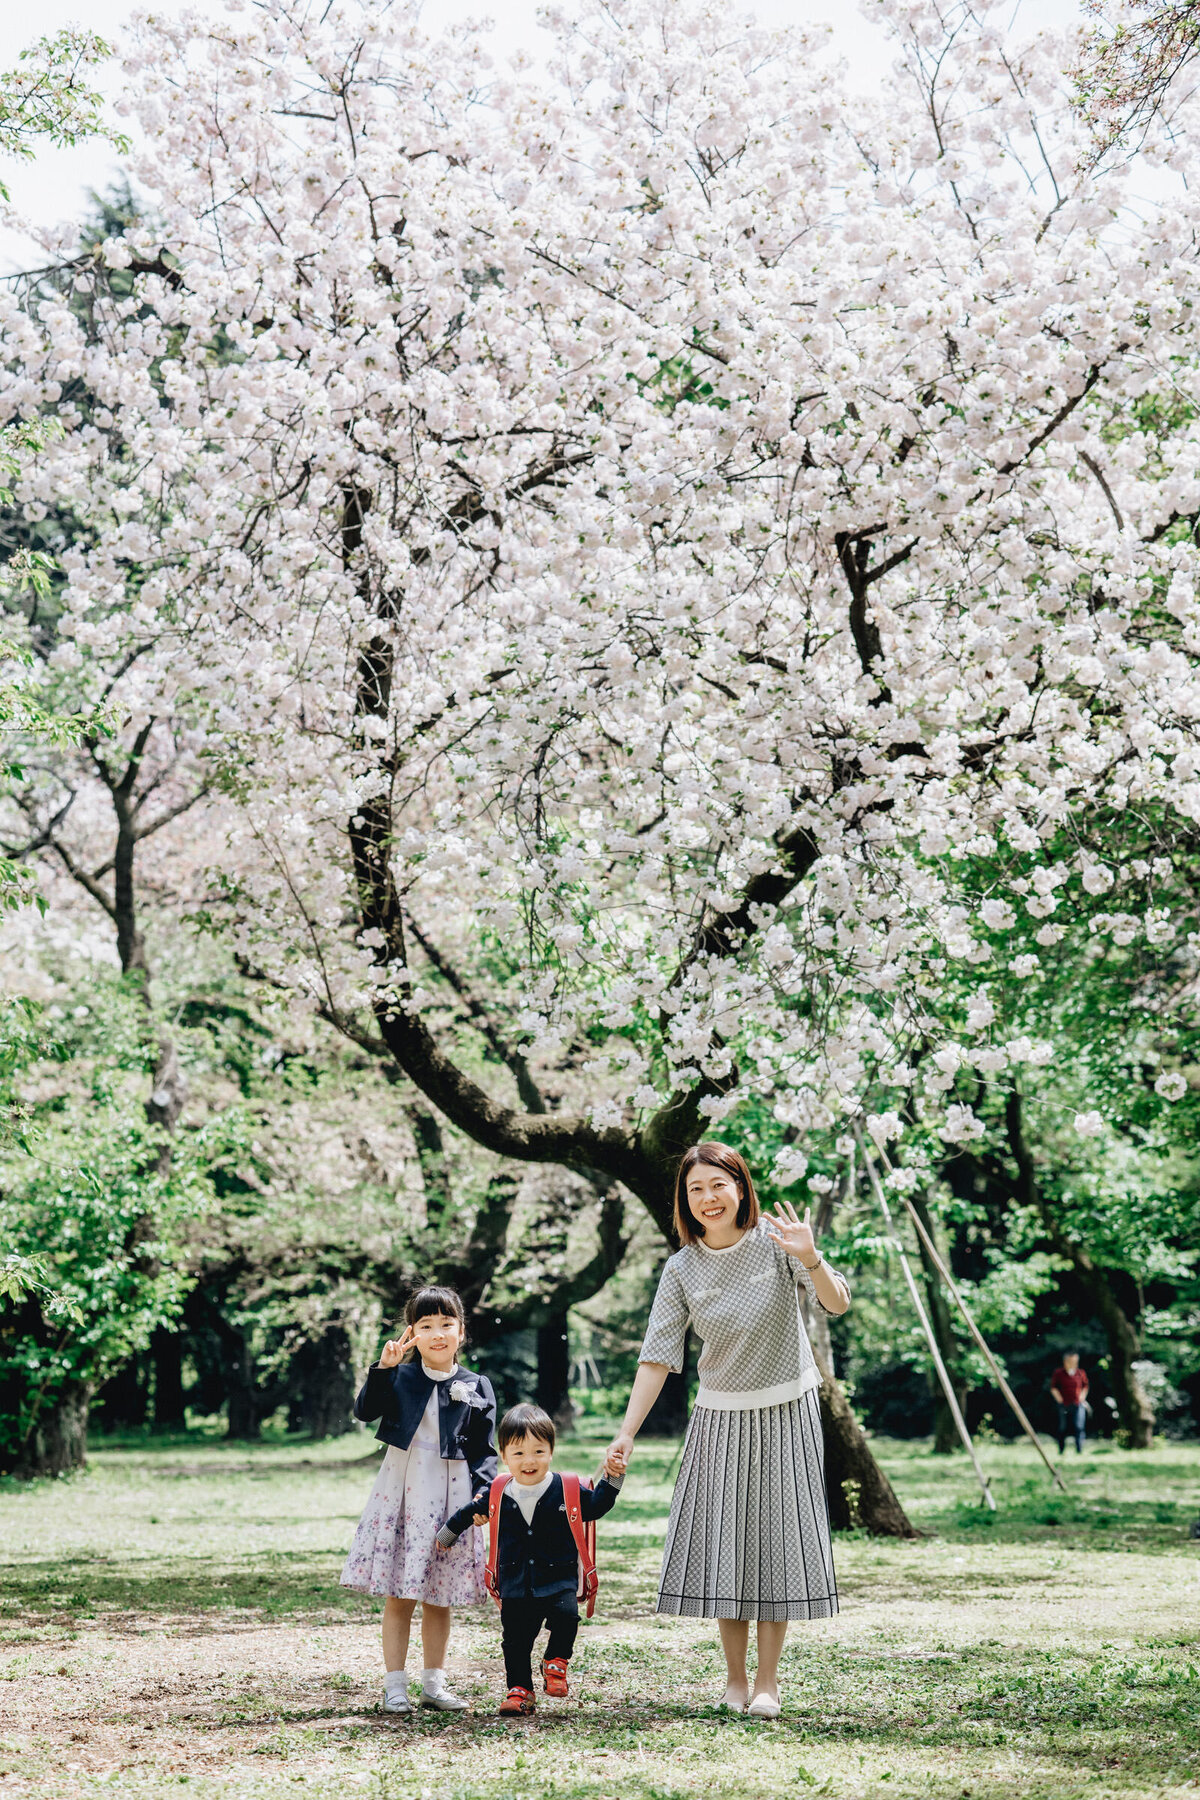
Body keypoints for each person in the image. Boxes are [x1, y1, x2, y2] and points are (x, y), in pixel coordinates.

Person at [606, 1142, 850, 1720]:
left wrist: (812, 1258)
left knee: (777, 1544)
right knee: (729, 1547)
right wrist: (626, 1433)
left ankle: (769, 1682)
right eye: (695, 1190)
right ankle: (736, 1680)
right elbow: (658, 1357)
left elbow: (837, 1304)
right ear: (684, 1202)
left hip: (787, 1411)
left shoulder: (777, 1244)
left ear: (740, 1186)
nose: (708, 1198)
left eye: (718, 1184)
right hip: (718, 1418)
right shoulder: (682, 1268)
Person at [340, 1285, 497, 1715]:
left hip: (452, 1493)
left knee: (438, 1597)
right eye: (426, 1326)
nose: (438, 1334)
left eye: (447, 1324)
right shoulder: (401, 1375)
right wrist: (383, 1369)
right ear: (413, 1333)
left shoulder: (476, 1385)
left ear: (461, 1331)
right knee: (399, 1594)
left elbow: (485, 1450)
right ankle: (395, 1685)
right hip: (404, 1489)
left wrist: (484, 1497)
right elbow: (365, 1412)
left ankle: (434, 1683)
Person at [437, 1402, 624, 1716]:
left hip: (559, 1577)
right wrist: (447, 1534)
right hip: (515, 1581)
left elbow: (596, 1506)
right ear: (504, 1455)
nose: (529, 1461)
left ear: (551, 1450)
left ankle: (556, 1661)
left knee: (567, 1616)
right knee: (515, 1640)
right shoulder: (496, 1492)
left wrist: (613, 1479)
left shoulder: (566, 1488)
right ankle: (520, 1689)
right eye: (519, 1453)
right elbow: (467, 1513)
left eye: (538, 1451)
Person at [1050, 1350, 1089, 1454]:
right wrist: (1058, 1398)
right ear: (1066, 1362)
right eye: (1071, 1361)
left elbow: (1085, 1386)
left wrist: (1082, 1396)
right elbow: (1053, 1387)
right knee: (1063, 1428)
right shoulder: (1059, 1373)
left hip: (1077, 1404)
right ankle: (1061, 1450)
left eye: (1076, 1362)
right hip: (1064, 1405)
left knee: (1079, 1426)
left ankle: (1079, 1450)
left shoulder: (1080, 1373)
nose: (1074, 1364)